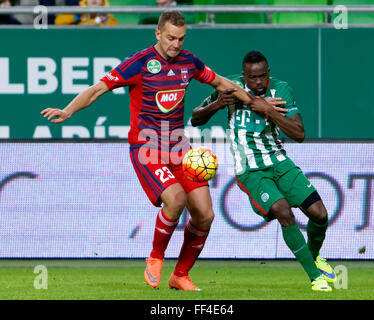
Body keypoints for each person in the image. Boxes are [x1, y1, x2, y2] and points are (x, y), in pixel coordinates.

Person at [41, 11, 275, 291]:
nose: (176, 44)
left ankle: (180, 275)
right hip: (146, 147)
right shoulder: (139, 64)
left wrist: (257, 103)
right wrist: (68, 110)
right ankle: (155, 257)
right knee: (175, 200)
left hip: (178, 148)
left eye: (181, 38)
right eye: (171, 38)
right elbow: (97, 89)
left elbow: (222, 83)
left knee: (205, 214)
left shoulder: (189, 62)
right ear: (158, 34)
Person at [191, 51, 336, 292]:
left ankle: (315, 258)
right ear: (244, 75)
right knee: (283, 211)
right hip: (250, 169)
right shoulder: (229, 87)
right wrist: (217, 105)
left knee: (320, 214)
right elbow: (195, 118)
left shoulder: (281, 90)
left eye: (262, 76)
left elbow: (299, 134)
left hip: (279, 162)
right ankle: (315, 278)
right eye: (252, 77)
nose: (258, 82)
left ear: (268, 73)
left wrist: (268, 110)